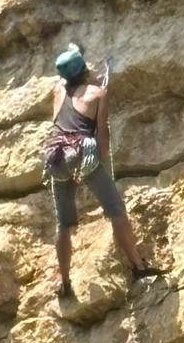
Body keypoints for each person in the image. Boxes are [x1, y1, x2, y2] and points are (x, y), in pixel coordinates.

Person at [48, 45, 162, 300]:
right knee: (115, 211)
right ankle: (137, 266)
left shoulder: (57, 90)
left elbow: (63, 80)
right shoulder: (98, 93)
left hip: (55, 155)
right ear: (85, 70)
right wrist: (102, 158)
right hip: (82, 152)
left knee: (64, 224)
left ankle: (64, 284)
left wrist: (72, 51)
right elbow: (102, 131)